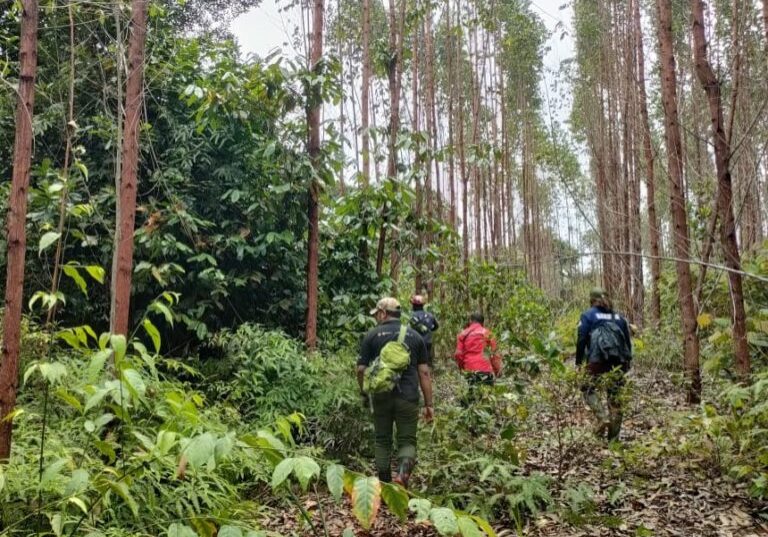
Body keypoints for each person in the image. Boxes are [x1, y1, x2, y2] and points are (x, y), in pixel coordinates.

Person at [357, 297, 434, 487]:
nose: (376, 318)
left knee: (382, 439)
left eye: (377, 314)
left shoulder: (372, 335)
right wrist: (429, 404)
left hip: (381, 396)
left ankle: (385, 484)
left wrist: (365, 392)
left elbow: (360, 370)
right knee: (407, 440)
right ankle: (402, 477)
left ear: (383, 313)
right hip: (408, 397)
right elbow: (424, 372)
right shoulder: (415, 337)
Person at [575, 287, 632, 441]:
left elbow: (581, 340)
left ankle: (602, 417)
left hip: (596, 361)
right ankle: (613, 441)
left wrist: (579, 363)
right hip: (618, 363)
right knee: (615, 399)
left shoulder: (588, 315)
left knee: (586, 388)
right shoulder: (619, 318)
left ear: (592, 300)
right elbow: (627, 343)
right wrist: (627, 364)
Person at [454, 312, 502, 393]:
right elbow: (494, 354)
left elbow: (458, 354)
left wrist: (462, 369)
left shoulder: (462, 334)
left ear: (470, 321)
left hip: (469, 370)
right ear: (483, 323)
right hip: (485, 369)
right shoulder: (488, 334)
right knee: (487, 397)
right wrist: (497, 370)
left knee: (472, 395)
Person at [409, 294, 439, 367]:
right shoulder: (430, 315)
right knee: (426, 361)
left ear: (413, 305)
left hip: (415, 342)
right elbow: (436, 326)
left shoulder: (410, 316)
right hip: (427, 342)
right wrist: (429, 330)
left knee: (415, 362)